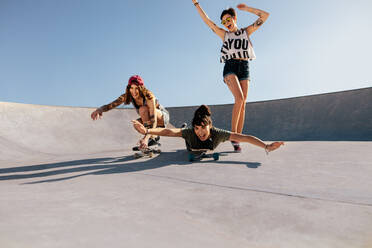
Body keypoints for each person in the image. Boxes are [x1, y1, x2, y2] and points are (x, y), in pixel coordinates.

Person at [191, 1, 269, 152]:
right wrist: (196, 4)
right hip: (230, 67)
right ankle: (233, 136)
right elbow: (208, 22)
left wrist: (247, 9)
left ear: (234, 19)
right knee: (239, 98)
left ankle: (237, 137)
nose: (226, 23)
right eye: (224, 21)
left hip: (245, 67)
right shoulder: (224, 34)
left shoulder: (246, 31)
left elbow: (265, 16)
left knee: (243, 103)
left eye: (228, 20)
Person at [132, 105, 283, 154]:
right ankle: (185, 127)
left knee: (236, 138)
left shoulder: (217, 133)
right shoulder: (192, 132)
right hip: (191, 146)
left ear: (210, 126)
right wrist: (147, 131)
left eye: (203, 128)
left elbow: (245, 137)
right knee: (183, 134)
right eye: (197, 128)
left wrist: (266, 146)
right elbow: (168, 131)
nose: (200, 132)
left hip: (208, 146)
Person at [91, 75, 170, 148]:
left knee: (143, 109)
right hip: (150, 121)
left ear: (141, 88)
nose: (134, 91)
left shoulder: (149, 96)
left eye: (136, 88)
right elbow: (112, 104)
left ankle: (151, 139)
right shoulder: (128, 95)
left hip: (161, 118)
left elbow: (153, 120)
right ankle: (154, 137)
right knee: (136, 124)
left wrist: (146, 138)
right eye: (131, 88)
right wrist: (100, 109)